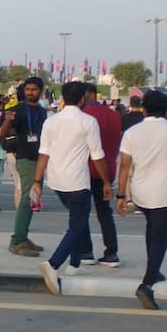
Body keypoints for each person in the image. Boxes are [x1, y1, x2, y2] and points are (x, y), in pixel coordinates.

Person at [35, 82, 114, 295]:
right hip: (78, 180)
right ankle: (53, 264)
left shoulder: (51, 121)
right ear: (83, 99)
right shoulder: (88, 122)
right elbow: (97, 156)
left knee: (76, 220)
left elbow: (44, 153)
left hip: (57, 180)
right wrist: (107, 182)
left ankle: (75, 262)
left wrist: (36, 181)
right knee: (78, 224)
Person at [116, 90, 167, 309]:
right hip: (166, 193)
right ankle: (147, 284)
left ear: (143, 108)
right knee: (160, 239)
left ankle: (154, 270)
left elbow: (124, 165)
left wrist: (121, 195)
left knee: (152, 231)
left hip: (141, 192)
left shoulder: (132, 132)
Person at [0, 78, 47, 256]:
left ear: (40, 91)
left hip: (39, 157)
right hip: (24, 157)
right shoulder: (16, 111)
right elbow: (2, 135)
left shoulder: (42, 112)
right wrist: (6, 121)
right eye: (27, 89)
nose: (30, 92)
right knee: (28, 197)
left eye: (34, 89)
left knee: (33, 198)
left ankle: (23, 237)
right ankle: (17, 240)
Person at [77, 83, 122, 267]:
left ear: (88, 95)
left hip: (86, 168)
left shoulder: (84, 117)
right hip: (108, 168)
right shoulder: (114, 115)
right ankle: (111, 253)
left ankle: (86, 252)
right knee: (105, 213)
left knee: (82, 212)